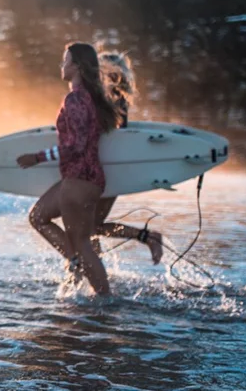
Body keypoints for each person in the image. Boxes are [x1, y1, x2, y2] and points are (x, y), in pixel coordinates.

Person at [17, 42, 121, 296]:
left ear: (76, 66)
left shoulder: (75, 98)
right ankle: (74, 261)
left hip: (79, 179)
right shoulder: (90, 97)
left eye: (65, 61)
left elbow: (76, 145)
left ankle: (105, 301)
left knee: (83, 243)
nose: (62, 66)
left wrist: (37, 157)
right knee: (38, 217)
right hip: (82, 178)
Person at [92, 51, 163, 263]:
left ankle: (149, 237)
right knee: (89, 227)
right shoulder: (113, 99)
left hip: (108, 169)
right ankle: (88, 270)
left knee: (89, 226)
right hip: (104, 167)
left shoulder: (112, 100)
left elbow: (113, 137)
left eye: (99, 69)